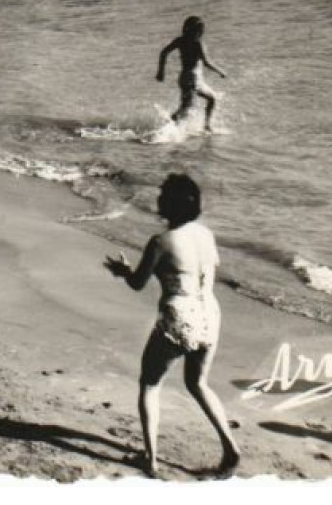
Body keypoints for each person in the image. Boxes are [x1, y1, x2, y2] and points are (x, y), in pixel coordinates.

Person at [104, 174, 240, 479]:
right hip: (209, 313)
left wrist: (122, 271)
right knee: (198, 384)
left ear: (171, 205)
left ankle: (150, 460)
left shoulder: (161, 242)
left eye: (163, 195)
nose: (158, 198)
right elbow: (196, 273)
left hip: (179, 316)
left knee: (150, 384)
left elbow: (138, 283)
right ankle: (230, 448)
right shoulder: (206, 235)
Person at [157, 16, 227, 130]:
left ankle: (175, 126)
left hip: (183, 78)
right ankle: (169, 127)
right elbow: (206, 62)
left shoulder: (180, 41)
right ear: (200, 31)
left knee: (188, 106)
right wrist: (220, 71)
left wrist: (161, 71)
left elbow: (164, 53)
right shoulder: (198, 44)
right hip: (194, 79)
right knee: (195, 105)